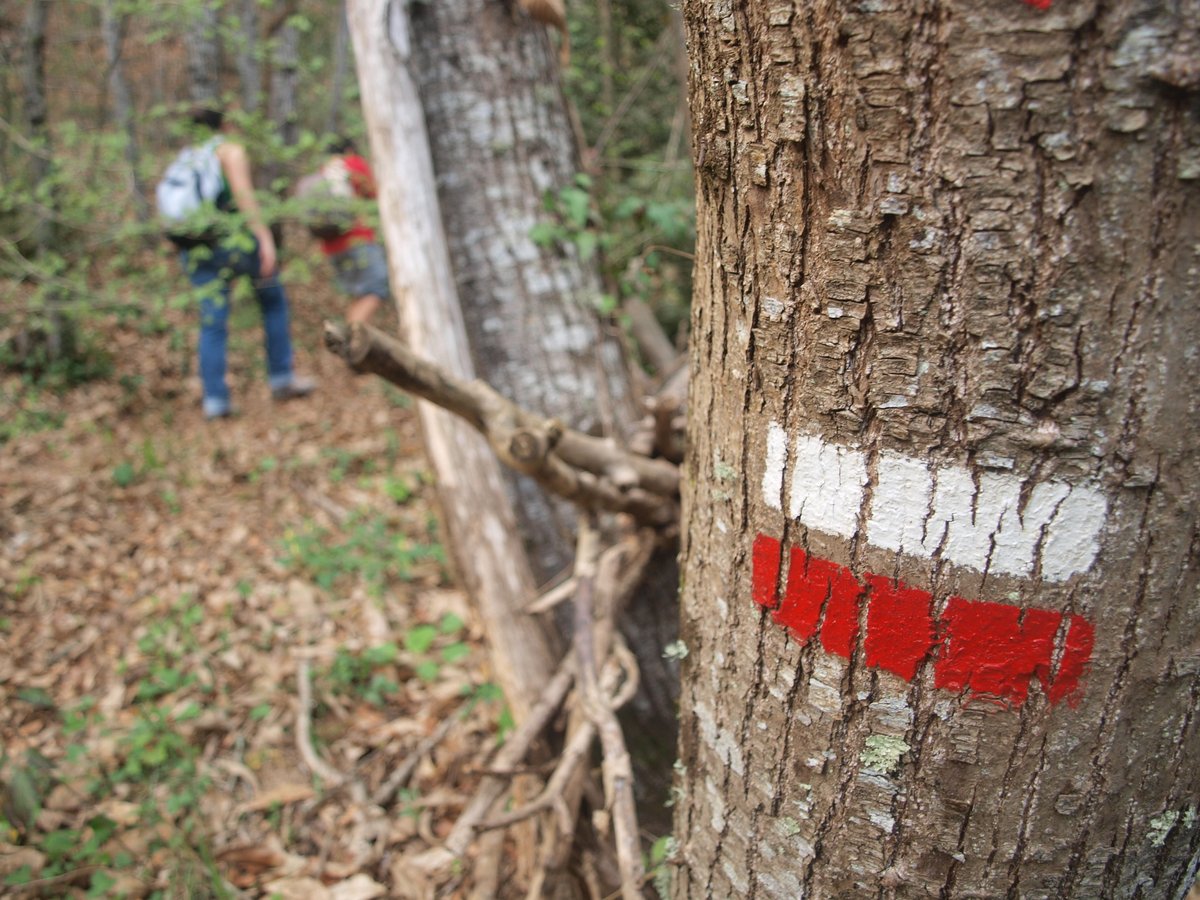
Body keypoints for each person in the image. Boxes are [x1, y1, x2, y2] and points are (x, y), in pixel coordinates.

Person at [175, 106, 314, 419]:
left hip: (197, 249)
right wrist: (265, 239)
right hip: (235, 245)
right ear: (224, 124)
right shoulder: (229, 150)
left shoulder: (187, 157)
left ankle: (215, 400)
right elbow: (244, 197)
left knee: (212, 322)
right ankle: (281, 377)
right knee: (273, 301)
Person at [313, 137, 390, 325]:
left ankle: (346, 337)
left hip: (332, 247)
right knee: (376, 289)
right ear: (349, 150)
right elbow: (377, 194)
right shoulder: (353, 163)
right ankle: (349, 338)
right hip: (358, 241)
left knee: (359, 295)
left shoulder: (324, 170)